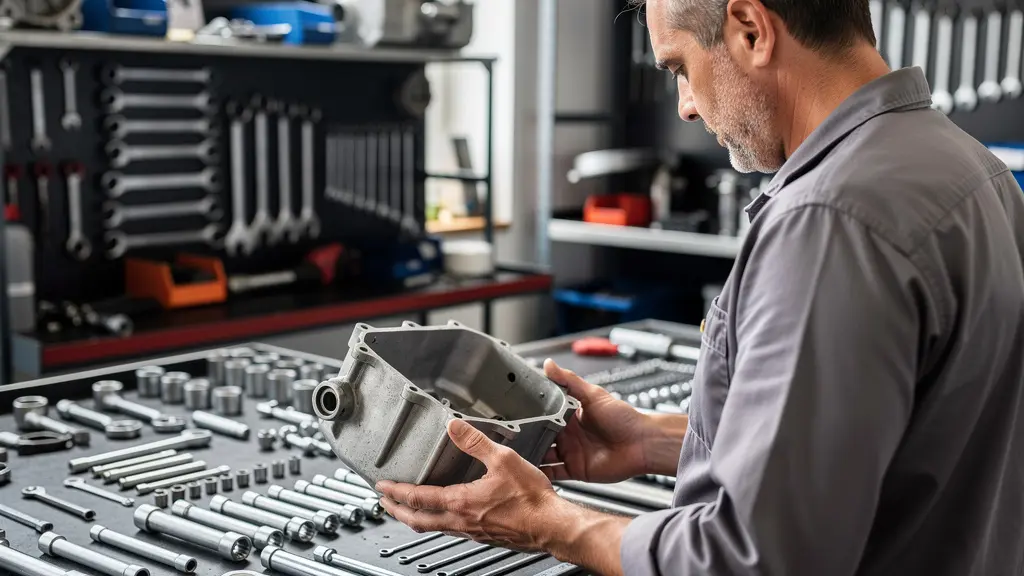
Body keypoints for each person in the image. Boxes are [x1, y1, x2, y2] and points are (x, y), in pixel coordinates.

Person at [377, 0, 1024, 574]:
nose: (685, 105)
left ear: (750, 29)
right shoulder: (974, 170)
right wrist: (652, 441)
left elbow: (754, 561)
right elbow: (891, 440)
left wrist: (550, 522)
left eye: (681, 67)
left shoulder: (829, 221)